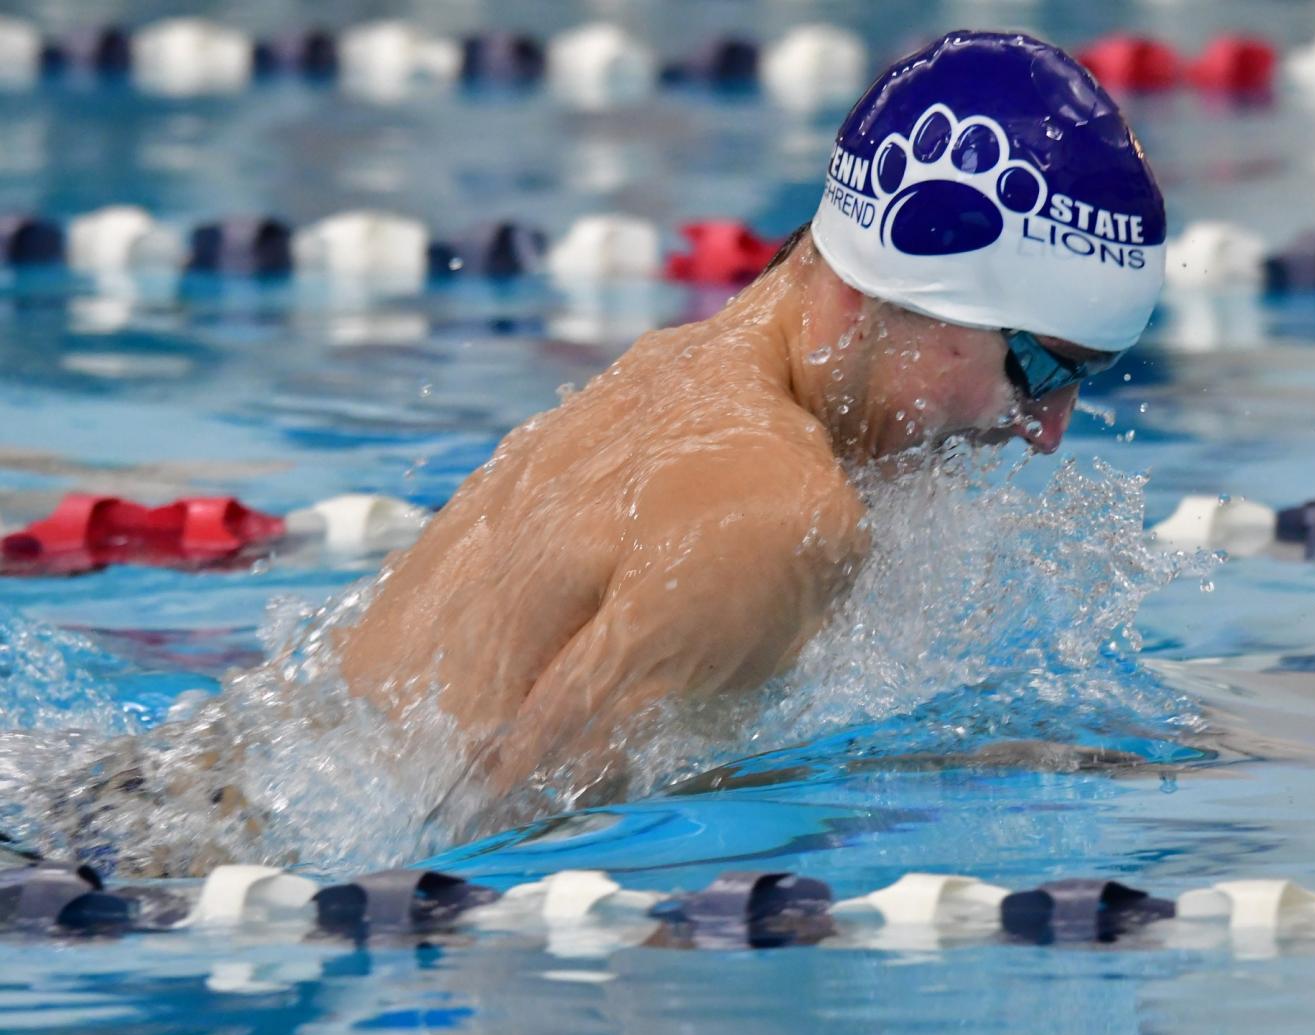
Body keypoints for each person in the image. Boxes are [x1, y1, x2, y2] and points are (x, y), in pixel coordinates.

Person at [340, 30, 1167, 824]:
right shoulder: (774, 514)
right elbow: (496, 838)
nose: (1048, 429)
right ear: (908, 289)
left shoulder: (674, 373)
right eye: (1043, 367)